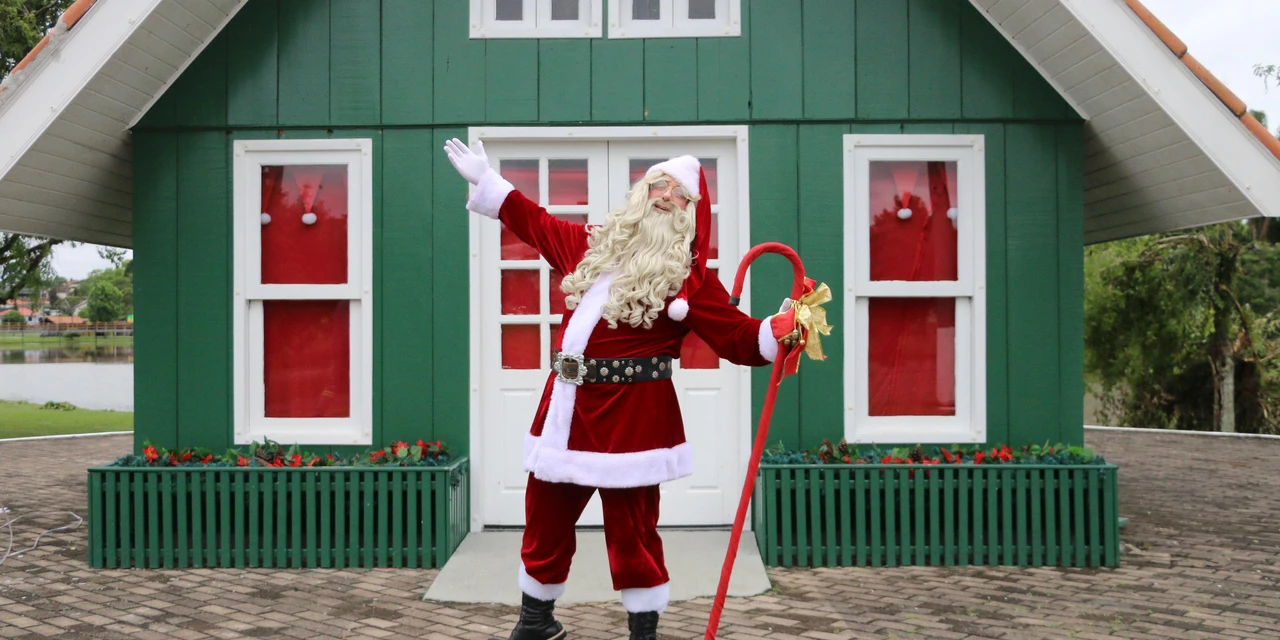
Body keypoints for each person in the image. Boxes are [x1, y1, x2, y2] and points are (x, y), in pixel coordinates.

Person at [444, 139, 791, 640]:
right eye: (660, 183)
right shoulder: (592, 246)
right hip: (566, 409)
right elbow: (536, 223)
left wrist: (775, 330)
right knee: (544, 519)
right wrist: (488, 182)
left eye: (680, 194)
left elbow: (737, 337)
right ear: (642, 190)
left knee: (633, 533)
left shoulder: (687, 280)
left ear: (691, 214)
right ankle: (535, 623)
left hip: (632, 419)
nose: (666, 195)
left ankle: (643, 632)